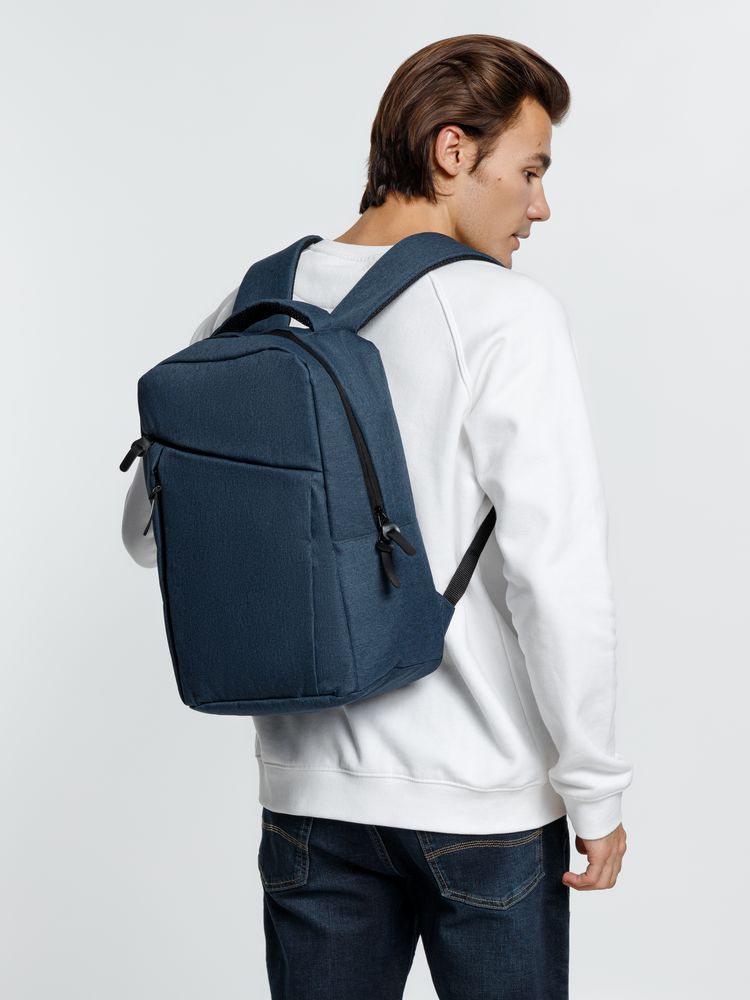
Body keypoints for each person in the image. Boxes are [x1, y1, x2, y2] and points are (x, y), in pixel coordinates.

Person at [122, 32, 633, 1000]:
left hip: (308, 802)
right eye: (530, 170)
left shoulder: (256, 301)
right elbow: (558, 576)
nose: (540, 205)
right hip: (482, 804)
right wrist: (595, 788)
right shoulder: (505, 315)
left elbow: (149, 533)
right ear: (453, 151)